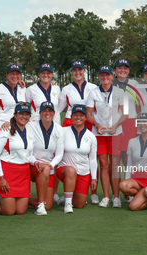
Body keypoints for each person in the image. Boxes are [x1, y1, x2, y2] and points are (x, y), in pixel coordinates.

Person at [0, 102, 36, 216]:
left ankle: (0, 199)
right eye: (21, 113)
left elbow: (28, 155)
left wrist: (36, 163)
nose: (24, 116)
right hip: (8, 172)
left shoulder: (30, 130)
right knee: (9, 211)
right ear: (15, 115)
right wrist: (0, 177)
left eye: (27, 114)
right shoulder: (5, 130)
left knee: (20, 211)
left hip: (23, 174)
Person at [57, 59, 98, 204]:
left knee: (89, 156)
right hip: (70, 120)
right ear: (71, 72)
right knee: (67, 157)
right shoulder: (66, 89)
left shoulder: (93, 87)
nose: (77, 72)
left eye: (80, 70)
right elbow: (59, 108)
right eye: (74, 70)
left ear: (84, 71)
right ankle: (68, 192)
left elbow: (96, 108)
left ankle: (93, 193)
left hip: (88, 121)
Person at [86, 65, 128, 208]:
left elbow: (125, 114)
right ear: (99, 77)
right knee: (104, 165)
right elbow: (89, 114)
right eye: (102, 75)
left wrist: (116, 125)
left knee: (115, 165)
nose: (105, 77)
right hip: (98, 134)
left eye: (107, 75)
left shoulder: (119, 92)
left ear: (112, 76)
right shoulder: (93, 93)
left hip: (115, 133)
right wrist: (97, 125)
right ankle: (105, 197)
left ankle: (116, 197)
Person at [119, 113, 147, 211]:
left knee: (133, 207)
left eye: (145, 122)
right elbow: (130, 164)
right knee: (123, 185)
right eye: (139, 122)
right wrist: (127, 181)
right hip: (137, 180)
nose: (142, 124)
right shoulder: (132, 141)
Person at [56, 105, 98, 213]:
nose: (78, 118)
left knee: (80, 204)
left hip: (83, 172)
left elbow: (93, 159)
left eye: (81, 115)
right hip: (65, 169)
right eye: (75, 115)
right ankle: (68, 204)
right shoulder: (63, 131)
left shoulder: (91, 136)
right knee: (71, 170)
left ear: (85, 117)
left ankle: (67, 197)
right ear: (71, 116)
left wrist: (94, 178)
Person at [28, 101, 64, 215]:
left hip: (48, 168)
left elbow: (59, 154)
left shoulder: (59, 129)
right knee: (45, 169)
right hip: (31, 166)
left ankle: (25, 200)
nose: (47, 113)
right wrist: (37, 163)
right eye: (44, 111)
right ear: (40, 113)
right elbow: (26, 151)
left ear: (54, 113)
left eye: (50, 111)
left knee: (48, 205)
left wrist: (50, 165)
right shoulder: (31, 126)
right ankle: (39, 204)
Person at [112, 58, 139, 174]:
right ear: (115, 70)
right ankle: (116, 192)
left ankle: (128, 187)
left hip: (130, 122)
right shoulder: (109, 83)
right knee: (115, 160)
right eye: (120, 68)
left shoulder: (135, 84)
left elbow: (139, 104)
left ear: (128, 70)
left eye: (125, 68)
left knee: (128, 157)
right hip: (114, 124)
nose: (122, 70)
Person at [0, 63, 26, 128]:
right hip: (2, 126)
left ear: (20, 76)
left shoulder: (23, 89)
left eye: (17, 74)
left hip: (19, 126)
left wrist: (50, 83)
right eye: (12, 74)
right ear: (7, 75)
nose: (15, 76)